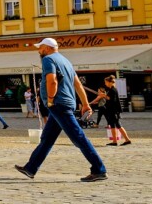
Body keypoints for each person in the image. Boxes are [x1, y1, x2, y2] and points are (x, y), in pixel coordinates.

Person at [15, 38, 107, 182]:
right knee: (47, 139)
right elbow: (78, 85)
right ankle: (30, 168)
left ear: (46, 48)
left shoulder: (48, 59)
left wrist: (50, 99)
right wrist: (85, 104)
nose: (38, 51)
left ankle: (99, 169)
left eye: (40, 48)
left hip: (59, 105)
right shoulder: (66, 61)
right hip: (64, 104)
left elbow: (52, 81)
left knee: (78, 137)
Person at [100, 76, 131, 147]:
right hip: (112, 110)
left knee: (118, 125)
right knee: (114, 125)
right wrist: (105, 96)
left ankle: (126, 140)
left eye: (106, 82)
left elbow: (112, 100)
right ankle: (115, 141)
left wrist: (104, 96)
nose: (105, 83)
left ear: (110, 82)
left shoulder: (113, 90)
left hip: (113, 110)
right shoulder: (111, 89)